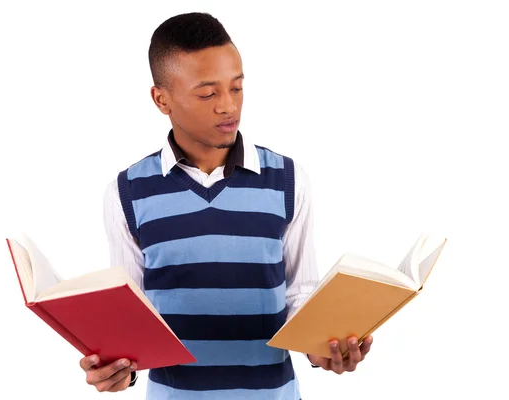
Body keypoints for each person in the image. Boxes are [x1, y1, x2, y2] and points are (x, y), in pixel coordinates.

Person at [79, 11, 373, 398]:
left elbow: (299, 296)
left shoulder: (288, 180)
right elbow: (132, 324)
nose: (227, 106)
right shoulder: (127, 192)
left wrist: (324, 351)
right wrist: (117, 371)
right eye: (207, 93)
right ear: (161, 99)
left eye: (236, 88)